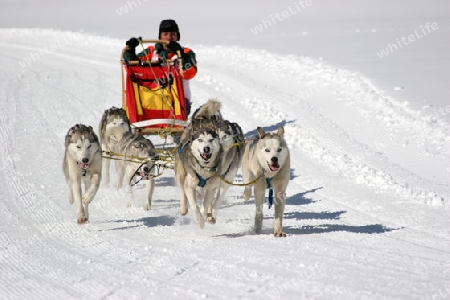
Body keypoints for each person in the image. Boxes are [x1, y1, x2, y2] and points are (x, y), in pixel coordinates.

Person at [123, 19, 197, 116]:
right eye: (165, 34)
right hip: (150, 98)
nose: (169, 38)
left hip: (178, 101)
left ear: (177, 37)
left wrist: (181, 55)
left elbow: (189, 73)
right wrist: (130, 51)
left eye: (173, 34)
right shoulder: (151, 52)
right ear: (160, 37)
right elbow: (132, 69)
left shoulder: (187, 53)